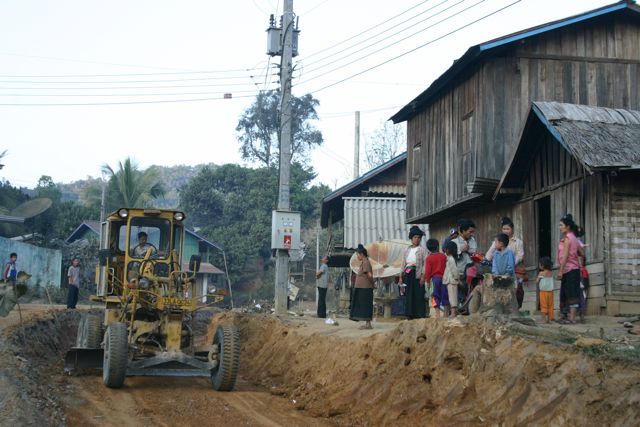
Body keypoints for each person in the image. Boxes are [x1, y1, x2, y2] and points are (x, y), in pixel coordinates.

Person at [486, 217, 526, 307]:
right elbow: (489, 255)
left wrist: (510, 264)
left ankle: (515, 307)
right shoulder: (497, 243)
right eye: (504, 229)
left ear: (512, 229)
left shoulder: (518, 242)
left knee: (515, 290)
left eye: (508, 229)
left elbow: (520, 255)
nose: (506, 231)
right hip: (500, 271)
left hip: (513, 270)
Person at [557, 214, 582, 324]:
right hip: (574, 269)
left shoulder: (568, 239)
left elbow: (566, 256)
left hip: (569, 269)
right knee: (568, 292)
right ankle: (567, 317)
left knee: (571, 293)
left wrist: (560, 271)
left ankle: (572, 318)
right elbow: (582, 252)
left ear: (567, 227)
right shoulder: (574, 238)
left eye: (561, 225)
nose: (560, 227)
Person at [401, 226, 427, 319]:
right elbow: (403, 263)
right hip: (408, 273)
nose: (417, 239)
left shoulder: (422, 250)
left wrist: (423, 276)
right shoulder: (407, 250)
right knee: (409, 294)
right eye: (415, 237)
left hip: (418, 273)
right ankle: (409, 315)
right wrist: (401, 276)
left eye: (419, 237)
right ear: (411, 238)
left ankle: (419, 315)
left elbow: (425, 264)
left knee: (419, 294)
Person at [350, 244, 374, 329]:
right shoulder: (364, 262)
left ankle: (368, 324)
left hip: (365, 289)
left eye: (357, 254)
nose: (357, 256)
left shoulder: (366, 262)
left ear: (362, 254)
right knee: (363, 306)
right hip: (362, 288)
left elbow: (370, 275)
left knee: (366, 306)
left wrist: (372, 284)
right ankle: (367, 324)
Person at [424, 238, 448, 318]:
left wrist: (427, 282)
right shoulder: (443, 256)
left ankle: (437, 314)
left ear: (428, 249)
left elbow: (427, 272)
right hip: (444, 278)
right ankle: (446, 314)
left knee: (435, 296)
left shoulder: (428, 258)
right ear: (438, 246)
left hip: (435, 279)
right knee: (445, 295)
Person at [443, 241, 460, 317]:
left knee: (453, 297)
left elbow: (454, 270)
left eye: (446, 249)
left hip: (452, 281)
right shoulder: (449, 258)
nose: (445, 251)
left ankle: (453, 313)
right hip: (450, 281)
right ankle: (453, 312)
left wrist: (456, 278)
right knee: (451, 296)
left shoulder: (451, 259)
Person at [537, 256, 554, 323]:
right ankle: (550, 319)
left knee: (543, 305)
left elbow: (537, 281)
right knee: (550, 305)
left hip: (543, 292)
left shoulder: (541, 273)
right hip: (550, 292)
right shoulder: (551, 273)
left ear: (542, 265)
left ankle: (543, 319)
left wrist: (538, 277)